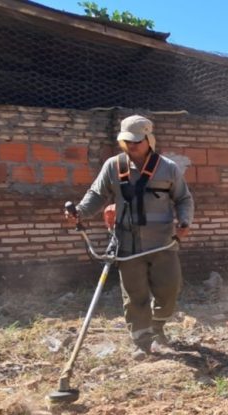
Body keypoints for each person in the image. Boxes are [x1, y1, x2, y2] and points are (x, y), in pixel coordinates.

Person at [65, 115, 194, 358]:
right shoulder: (113, 166)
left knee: (169, 289)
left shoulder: (168, 167)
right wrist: (80, 212)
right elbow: (96, 194)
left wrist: (185, 221)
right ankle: (142, 341)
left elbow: (183, 198)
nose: (131, 145)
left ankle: (157, 327)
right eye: (127, 141)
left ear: (149, 139)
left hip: (163, 243)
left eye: (137, 141)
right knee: (135, 295)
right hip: (127, 243)